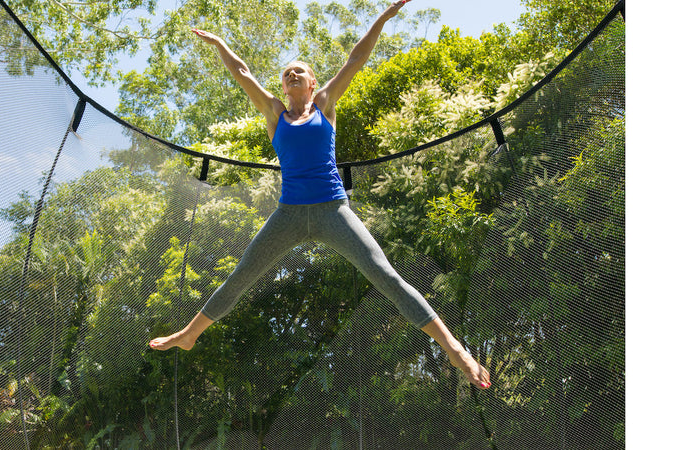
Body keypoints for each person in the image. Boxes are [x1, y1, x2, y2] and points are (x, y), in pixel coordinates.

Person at [148, 0, 491, 390]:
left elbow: (356, 59)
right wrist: (219, 43)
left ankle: (454, 349)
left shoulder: (324, 106)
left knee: (385, 275)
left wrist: (383, 18)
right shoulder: (274, 112)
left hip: (333, 210)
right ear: (283, 87)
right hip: (289, 213)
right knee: (244, 273)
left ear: (313, 84)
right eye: (287, 72)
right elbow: (242, 72)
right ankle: (190, 333)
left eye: (301, 72)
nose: (293, 74)